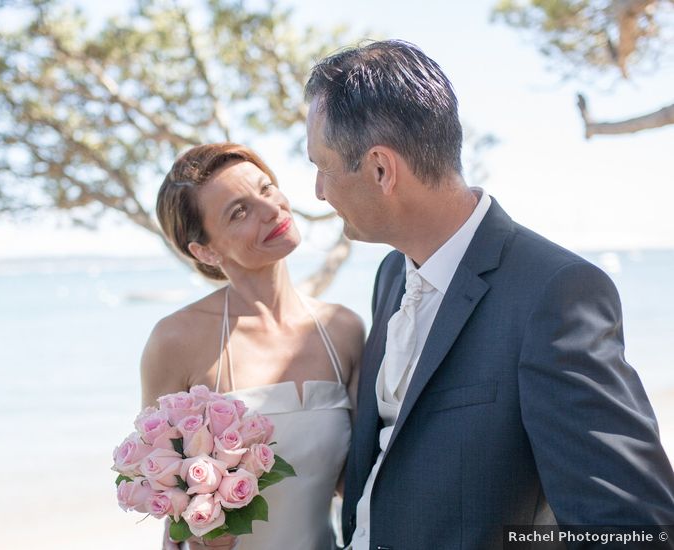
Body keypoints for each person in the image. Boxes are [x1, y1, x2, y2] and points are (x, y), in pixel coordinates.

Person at [303, 39, 674, 550]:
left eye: (321, 166)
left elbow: (633, 528)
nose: (318, 190)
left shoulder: (556, 294)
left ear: (381, 169)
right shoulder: (391, 275)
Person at [141, 142, 366, 550]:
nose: (271, 210)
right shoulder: (175, 341)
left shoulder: (343, 331)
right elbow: (169, 510)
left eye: (266, 189)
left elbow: (359, 487)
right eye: (238, 211)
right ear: (205, 250)